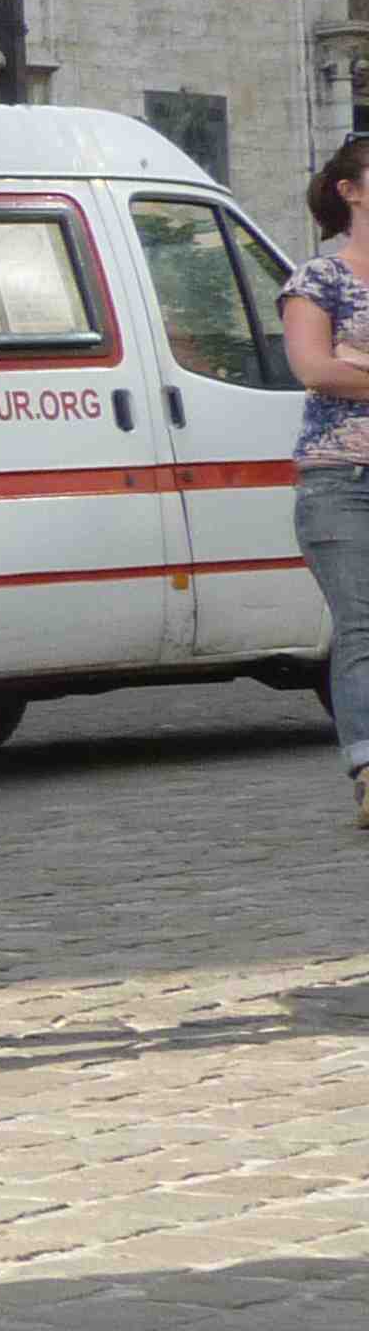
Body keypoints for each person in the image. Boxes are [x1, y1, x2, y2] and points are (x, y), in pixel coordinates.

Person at [276, 134, 369, 828]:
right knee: (364, 625)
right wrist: (342, 362)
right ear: (351, 190)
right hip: (343, 478)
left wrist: (356, 361)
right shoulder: (319, 280)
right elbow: (315, 370)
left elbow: (345, 368)